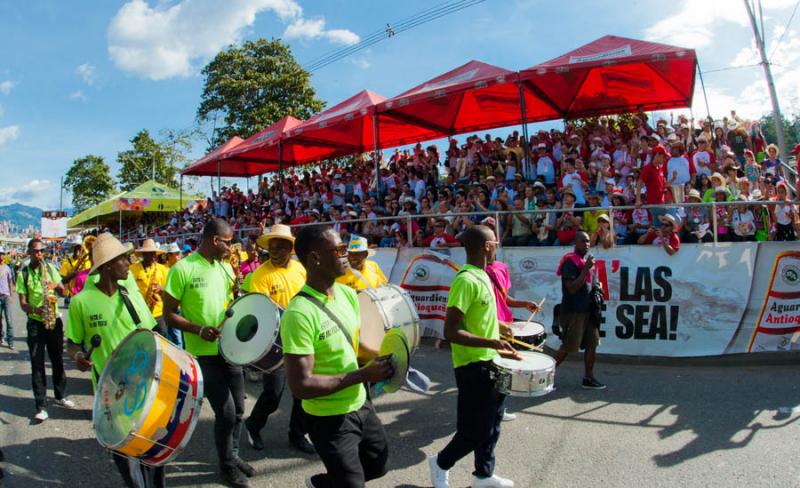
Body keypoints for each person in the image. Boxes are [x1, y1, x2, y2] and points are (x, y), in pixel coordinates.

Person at [281, 225, 394, 488]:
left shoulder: (345, 294)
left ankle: (325, 483)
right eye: (339, 250)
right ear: (314, 258)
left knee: (379, 465)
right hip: (328, 419)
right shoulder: (298, 314)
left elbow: (355, 348)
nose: (346, 255)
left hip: (360, 403)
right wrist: (364, 375)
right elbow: (301, 386)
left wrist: (386, 361)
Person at [65, 233, 164, 488]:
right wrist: (77, 356)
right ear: (109, 265)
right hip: (110, 389)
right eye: (123, 259)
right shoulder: (81, 302)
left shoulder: (130, 294)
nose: (129, 263)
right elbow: (73, 342)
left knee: (153, 449)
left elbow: (151, 335)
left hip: (142, 382)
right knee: (125, 451)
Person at [162, 219, 253, 488]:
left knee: (238, 410)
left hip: (230, 349)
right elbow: (168, 315)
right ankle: (226, 466)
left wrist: (238, 294)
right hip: (202, 355)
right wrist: (197, 329)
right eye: (228, 242)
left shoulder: (226, 268)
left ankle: (232, 455)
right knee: (225, 412)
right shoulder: (183, 268)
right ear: (215, 240)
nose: (231, 247)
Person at [429, 225, 519, 488]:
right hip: (473, 365)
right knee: (474, 430)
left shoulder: (482, 276)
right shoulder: (466, 280)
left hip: (494, 360)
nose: (497, 247)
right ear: (487, 247)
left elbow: (478, 319)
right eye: (495, 243)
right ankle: (440, 463)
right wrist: (491, 341)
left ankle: (484, 475)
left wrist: (500, 329)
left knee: (494, 423)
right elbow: (451, 330)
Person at [240, 224, 315, 454]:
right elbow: (262, 312)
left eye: (280, 246)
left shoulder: (301, 270)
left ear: (290, 248)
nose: (275, 250)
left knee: (303, 392)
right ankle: (253, 425)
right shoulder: (259, 275)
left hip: (303, 339)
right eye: (272, 246)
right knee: (273, 395)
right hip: (277, 343)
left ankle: (297, 434)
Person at [481, 217, 539, 423]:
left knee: (504, 368)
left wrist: (524, 303)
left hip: (506, 325)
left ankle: (498, 408)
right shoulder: (476, 270)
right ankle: (488, 410)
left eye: (492, 235)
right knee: (491, 370)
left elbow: (505, 298)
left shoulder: (501, 268)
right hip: (489, 327)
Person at [17, 238, 75, 421]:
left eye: (42, 250)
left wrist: (56, 286)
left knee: (57, 359)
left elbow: (64, 293)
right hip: (35, 322)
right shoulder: (23, 273)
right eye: (36, 251)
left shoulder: (50, 269)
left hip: (53, 321)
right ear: (29, 252)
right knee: (37, 364)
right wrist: (36, 310)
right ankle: (40, 404)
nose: (39, 254)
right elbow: (23, 304)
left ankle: (60, 395)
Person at [552, 232, 605, 390]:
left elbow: (585, 285)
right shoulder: (571, 261)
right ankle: (544, 377)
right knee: (568, 347)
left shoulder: (583, 261)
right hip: (574, 311)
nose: (587, 244)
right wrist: (586, 269)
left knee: (592, 344)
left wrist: (597, 287)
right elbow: (572, 288)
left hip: (588, 310)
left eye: (588, 241)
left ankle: (588, 378)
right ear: (575, 242)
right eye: (583, 241)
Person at [129, 239, 168, 336]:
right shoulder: (132, 269)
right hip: (141, 313)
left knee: (163, 343)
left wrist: (161, 289)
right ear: (143, 254)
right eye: (149, 253)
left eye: (154, 253)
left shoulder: (162, 269)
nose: (153, 256)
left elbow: (168, 292)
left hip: (159, 313)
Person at [0, 247, 14, 349]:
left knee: (9, 319)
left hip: (6, 295)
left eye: (3, 254)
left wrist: (11, 295)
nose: (2, 256)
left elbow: (10, 282)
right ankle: (1, 336)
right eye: (1, 254)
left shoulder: (7, 268)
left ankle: (10, 341)